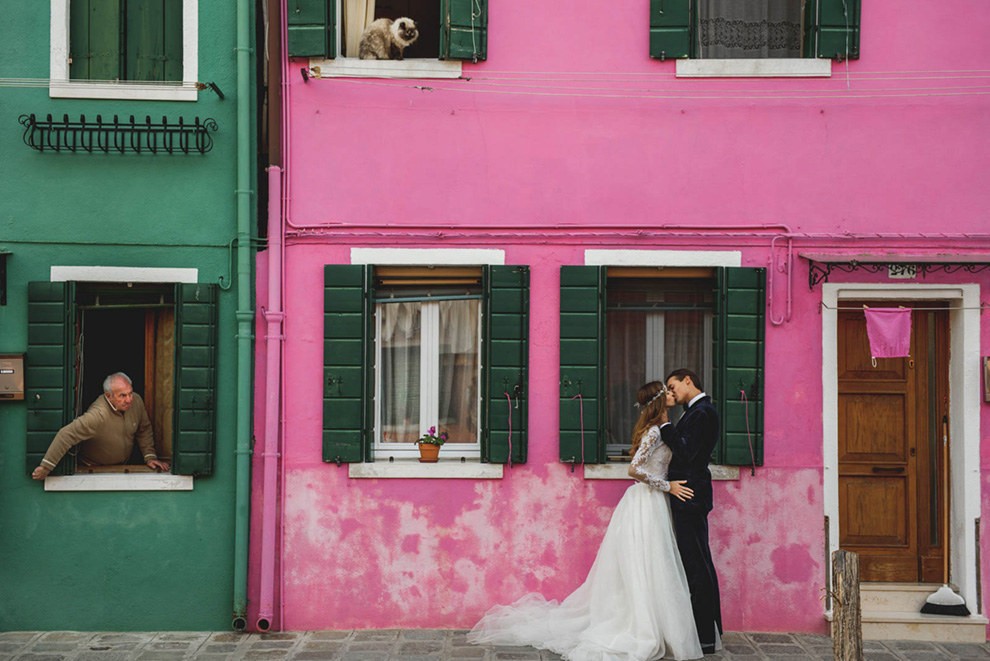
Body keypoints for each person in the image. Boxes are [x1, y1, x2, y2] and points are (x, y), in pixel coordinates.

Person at [468, 381, 703, 661]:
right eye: (667, 391)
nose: (672, 394)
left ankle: (657, 624)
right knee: (645, 562)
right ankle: (642, 624)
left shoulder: (664, 428)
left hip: (654, 503)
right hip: (646, 501)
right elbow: (634, 469)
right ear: (659, 400)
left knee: (655, 562)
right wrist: (667, 486)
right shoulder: (654, 431)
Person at [660, 369, 722, 655]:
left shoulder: (702, 412)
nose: (671, 393)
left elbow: (686, 452)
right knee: (699, 564)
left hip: (690, 495)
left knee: (696, 567)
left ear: (688, 380)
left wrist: (664, 424)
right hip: (691, 495)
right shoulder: (695, 412)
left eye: (673, 386)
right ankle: (707, 633)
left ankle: (705, 637)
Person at [31, 372, 170, 479]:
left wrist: (150, 456)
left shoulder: (137, 401)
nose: (129, 400)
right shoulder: (98, 415)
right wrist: (46, 467)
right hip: (93, 470)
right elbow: (66, 434)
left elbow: (143, 429)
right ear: (108, 396)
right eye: (122, 396)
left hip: (123, 468)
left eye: (130, 393)